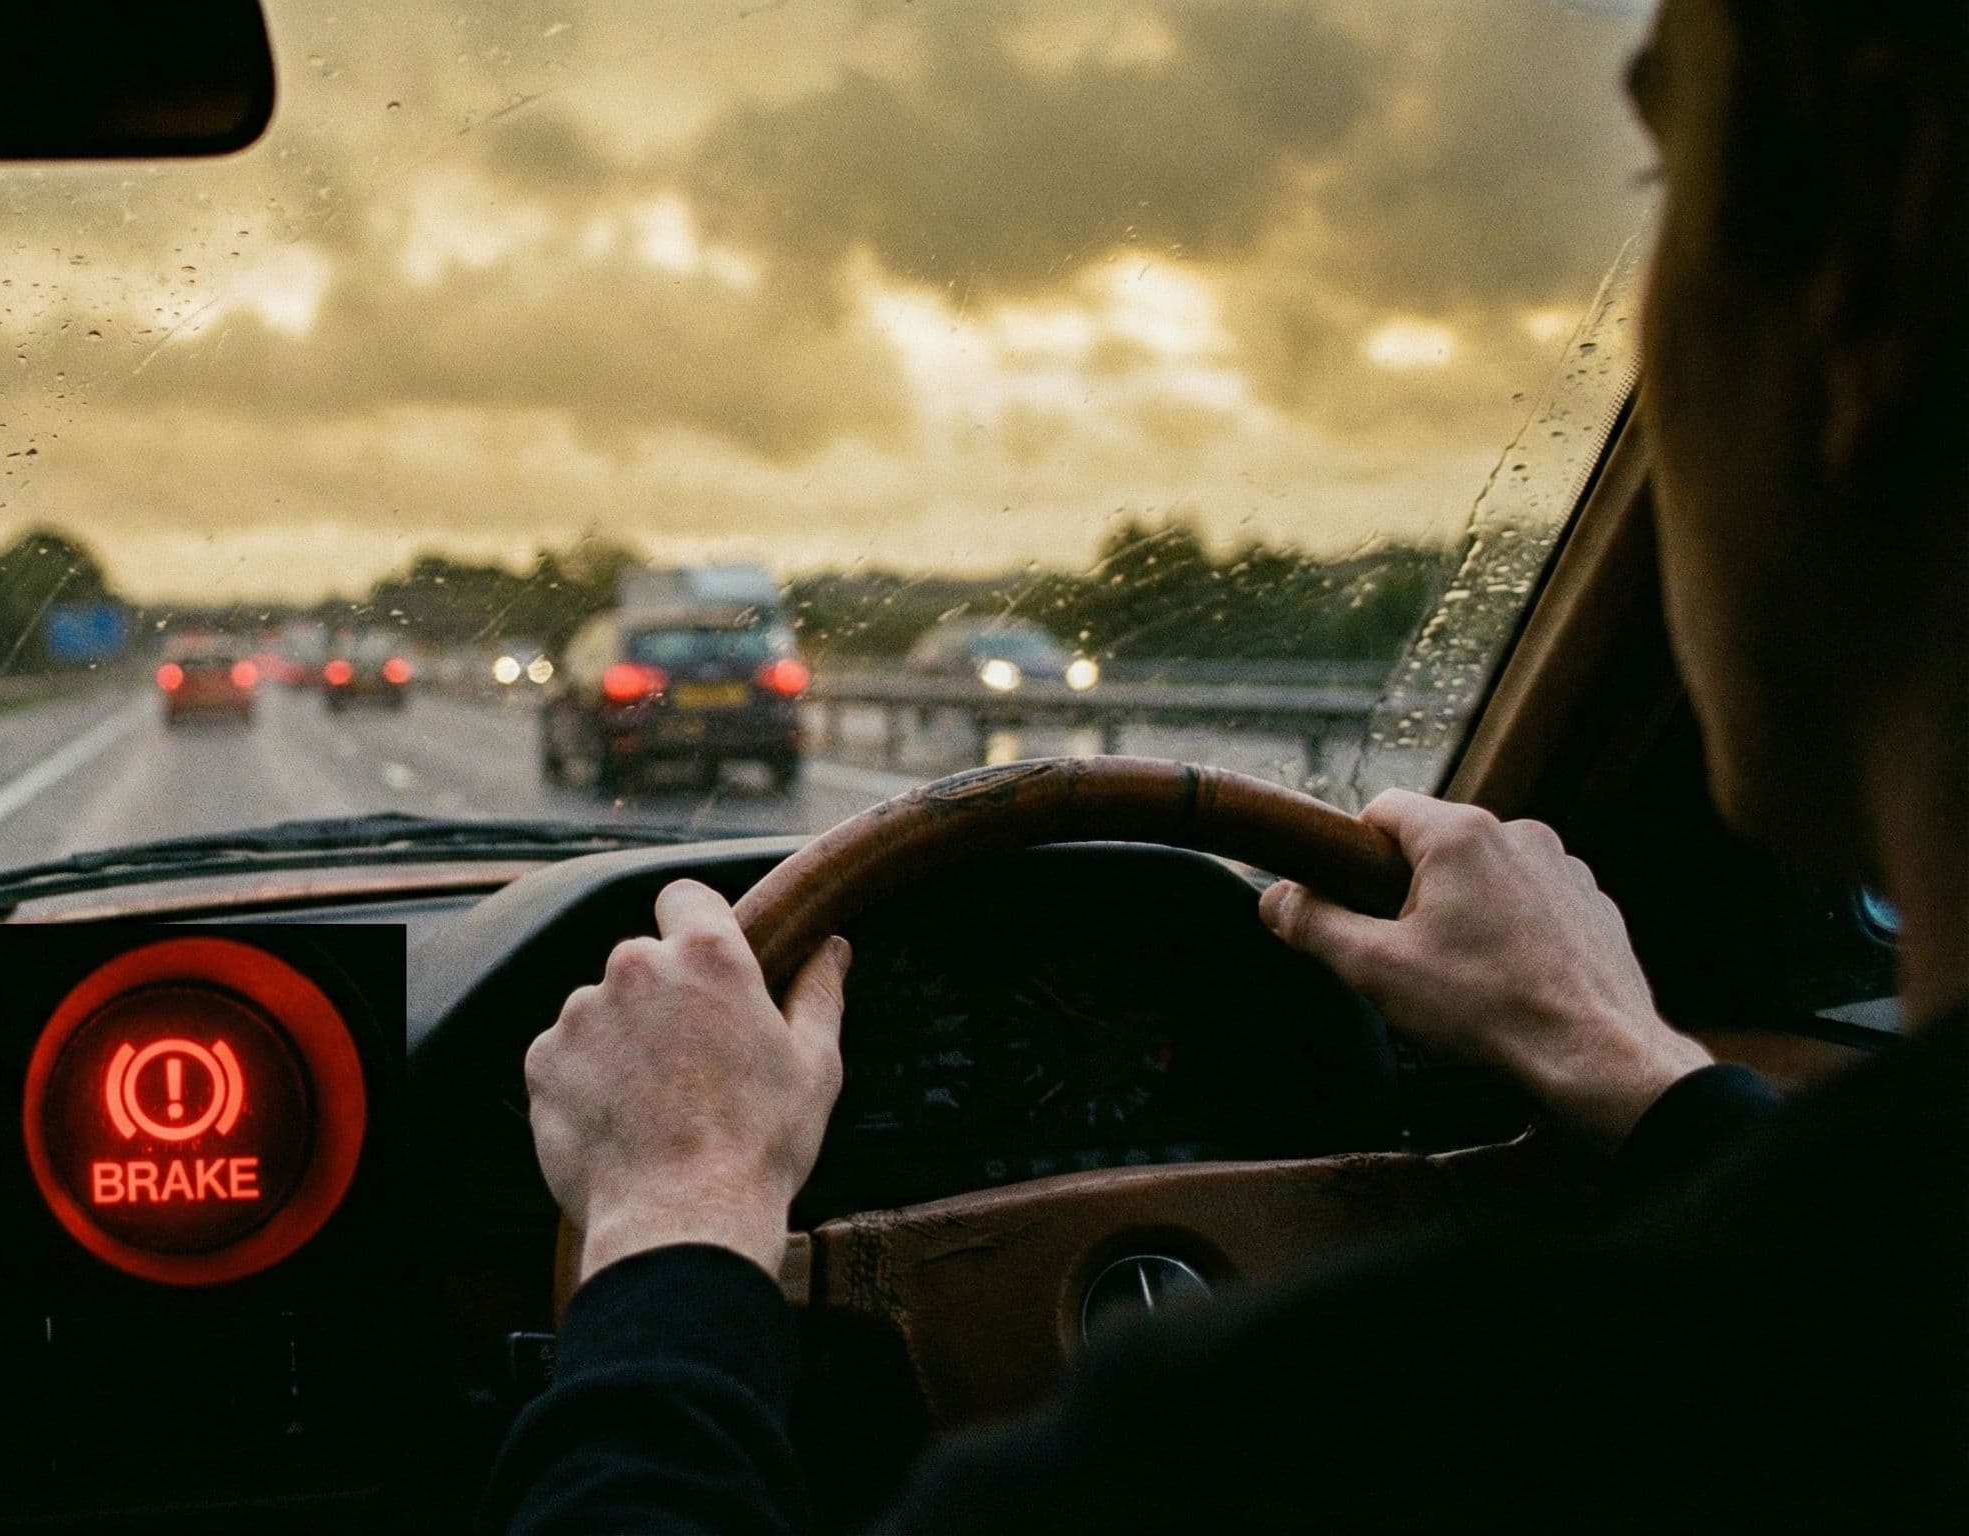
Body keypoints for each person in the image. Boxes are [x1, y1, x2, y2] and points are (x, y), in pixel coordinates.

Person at [483, 0, 1969, 1529]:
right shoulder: (1842, 1341)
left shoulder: (1273, 1445)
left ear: (1867, 251)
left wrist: (678, 1213)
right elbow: (1869, 1270)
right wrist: (1630, 1062)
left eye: (1665, 183)